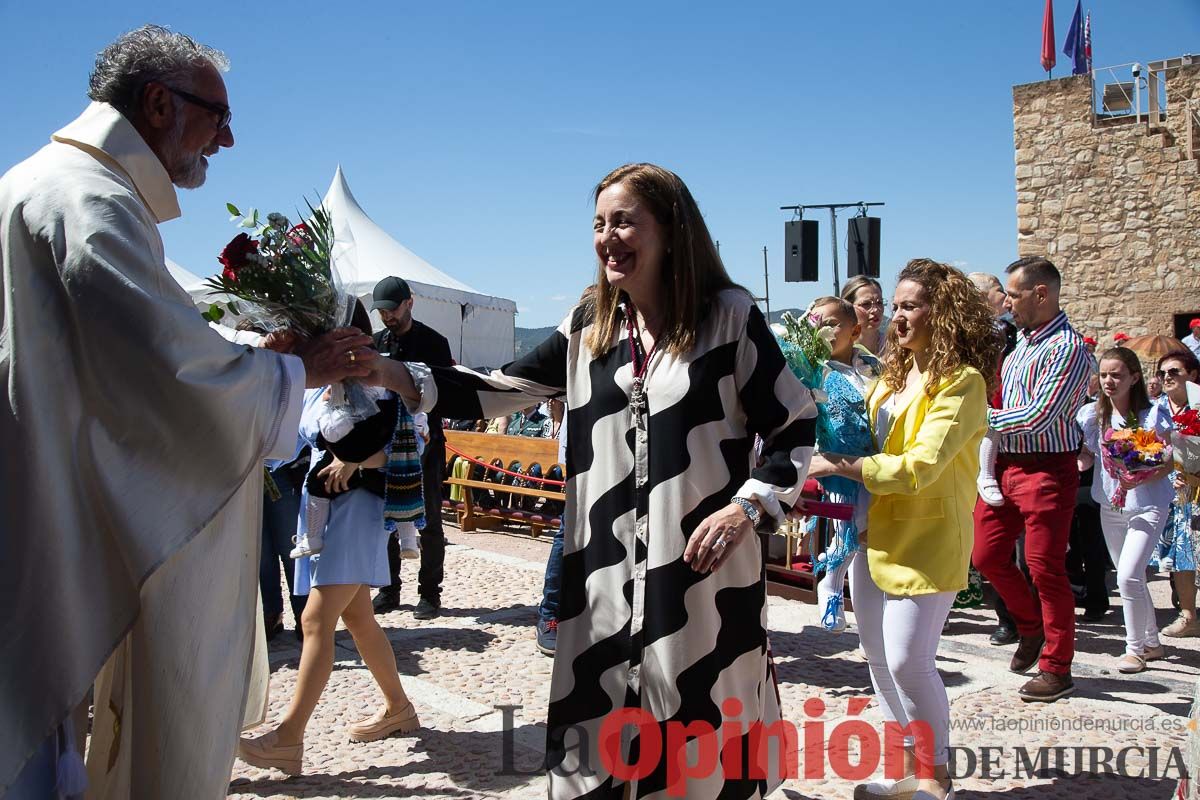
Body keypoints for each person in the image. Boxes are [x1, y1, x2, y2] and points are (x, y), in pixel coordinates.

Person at [0, 25, 375, 797]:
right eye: (217, 114)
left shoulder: (49, 181)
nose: (228, 137)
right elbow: (162, 375)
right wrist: (290, 372)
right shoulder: (89, 197)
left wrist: (256, 359)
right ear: (159, 104)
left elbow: (128, 350)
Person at [368, 162, 817, 798]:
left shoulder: (728, 318)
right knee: (601, 738)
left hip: (699, 578)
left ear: (670, 229)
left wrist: (747, 508)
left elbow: (795, 426)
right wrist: (392, 376)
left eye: (624, 221)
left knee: (698, 738)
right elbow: (501, 387)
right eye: (599, 224)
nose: (608, 236)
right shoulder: (590, 324)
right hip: (602, 574)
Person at [808, 259, 999, 800]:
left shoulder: (962, 382)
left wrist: (832, 466)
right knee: (876, 660)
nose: (897, 315)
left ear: (944, 313)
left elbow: (918, 467)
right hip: (870, 534)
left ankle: (935, 777)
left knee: (908, 663)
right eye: (896, 305)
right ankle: (903, 772)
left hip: (926, 539)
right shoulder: (892, 373)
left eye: (911, 305)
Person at [238, 376, 422, 775]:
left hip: (361, 508)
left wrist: (358, 457)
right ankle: (399, 708)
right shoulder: (311, 386)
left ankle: (288, 738)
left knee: (315, 619)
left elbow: (410, 447)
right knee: (357, 618)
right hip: (324, 508)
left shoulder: (384, 384)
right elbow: (294, 439)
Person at [972, 257, 1093, 703]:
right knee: (985, 555)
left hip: (1047, 466)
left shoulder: (1068, 348)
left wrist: (978, 417)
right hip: (1007, 464)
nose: (1007, 301)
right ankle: (1030, 626)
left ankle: (1057, 667)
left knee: (1044, 567)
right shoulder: (1019, 342)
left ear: (1041, 294)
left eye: (1014, 294)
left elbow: (1041, 416)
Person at [1076, 347, 1175, 673]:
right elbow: (1089, 456)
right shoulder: (1094, 416)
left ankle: (1135, 650)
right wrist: (1075, 464)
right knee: (1130, 578)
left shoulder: (1151, 415)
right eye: (1104, 374)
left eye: (1116, 375)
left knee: (1130, 575)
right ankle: (1152, 642)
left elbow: (1169, 459)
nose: (1109, 381)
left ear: (1134, 377)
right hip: (1110, 504)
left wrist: (1143, 472)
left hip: (1147, 504)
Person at [369, 276, 454, 620]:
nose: (386, 317)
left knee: (430, 522)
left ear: (409, 303)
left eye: (391, 309)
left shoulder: (434, 343)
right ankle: (389, 588)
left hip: (426, 447)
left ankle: (430, 593)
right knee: (388, 518)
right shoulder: (375, 343)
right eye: (381, 312)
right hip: (386, 447)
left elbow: (447, 393)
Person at [804, 296, 880, 632]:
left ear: (855, 330)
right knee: (847, 526)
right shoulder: (811, 369)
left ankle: (867, 614)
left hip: (874, 458)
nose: (828, 330)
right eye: (819, 322)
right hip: (836, 461)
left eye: (835, 323)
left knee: (868, 531)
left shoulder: (873, 366)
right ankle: (831, 585)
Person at [1155, 350, 1200, 638]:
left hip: (1197, 489)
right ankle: (1188, 615)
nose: (1167, 377)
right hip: (1172, 493)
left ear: (1193, 375)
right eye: (1162, 373)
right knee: (1181, 557)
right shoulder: (1156, 409)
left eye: (1174, 372)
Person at [261, 448, 310, 640]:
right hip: (245, 473)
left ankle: (304, 614)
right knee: (261, 554)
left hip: (282, 466)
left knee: (292, 548)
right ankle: (270, 613)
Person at [841, 275, 887, 355]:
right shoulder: (838, 350)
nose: (875, 310)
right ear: (848, 307)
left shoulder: (894, 347)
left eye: (879, 303)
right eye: (866, 304)